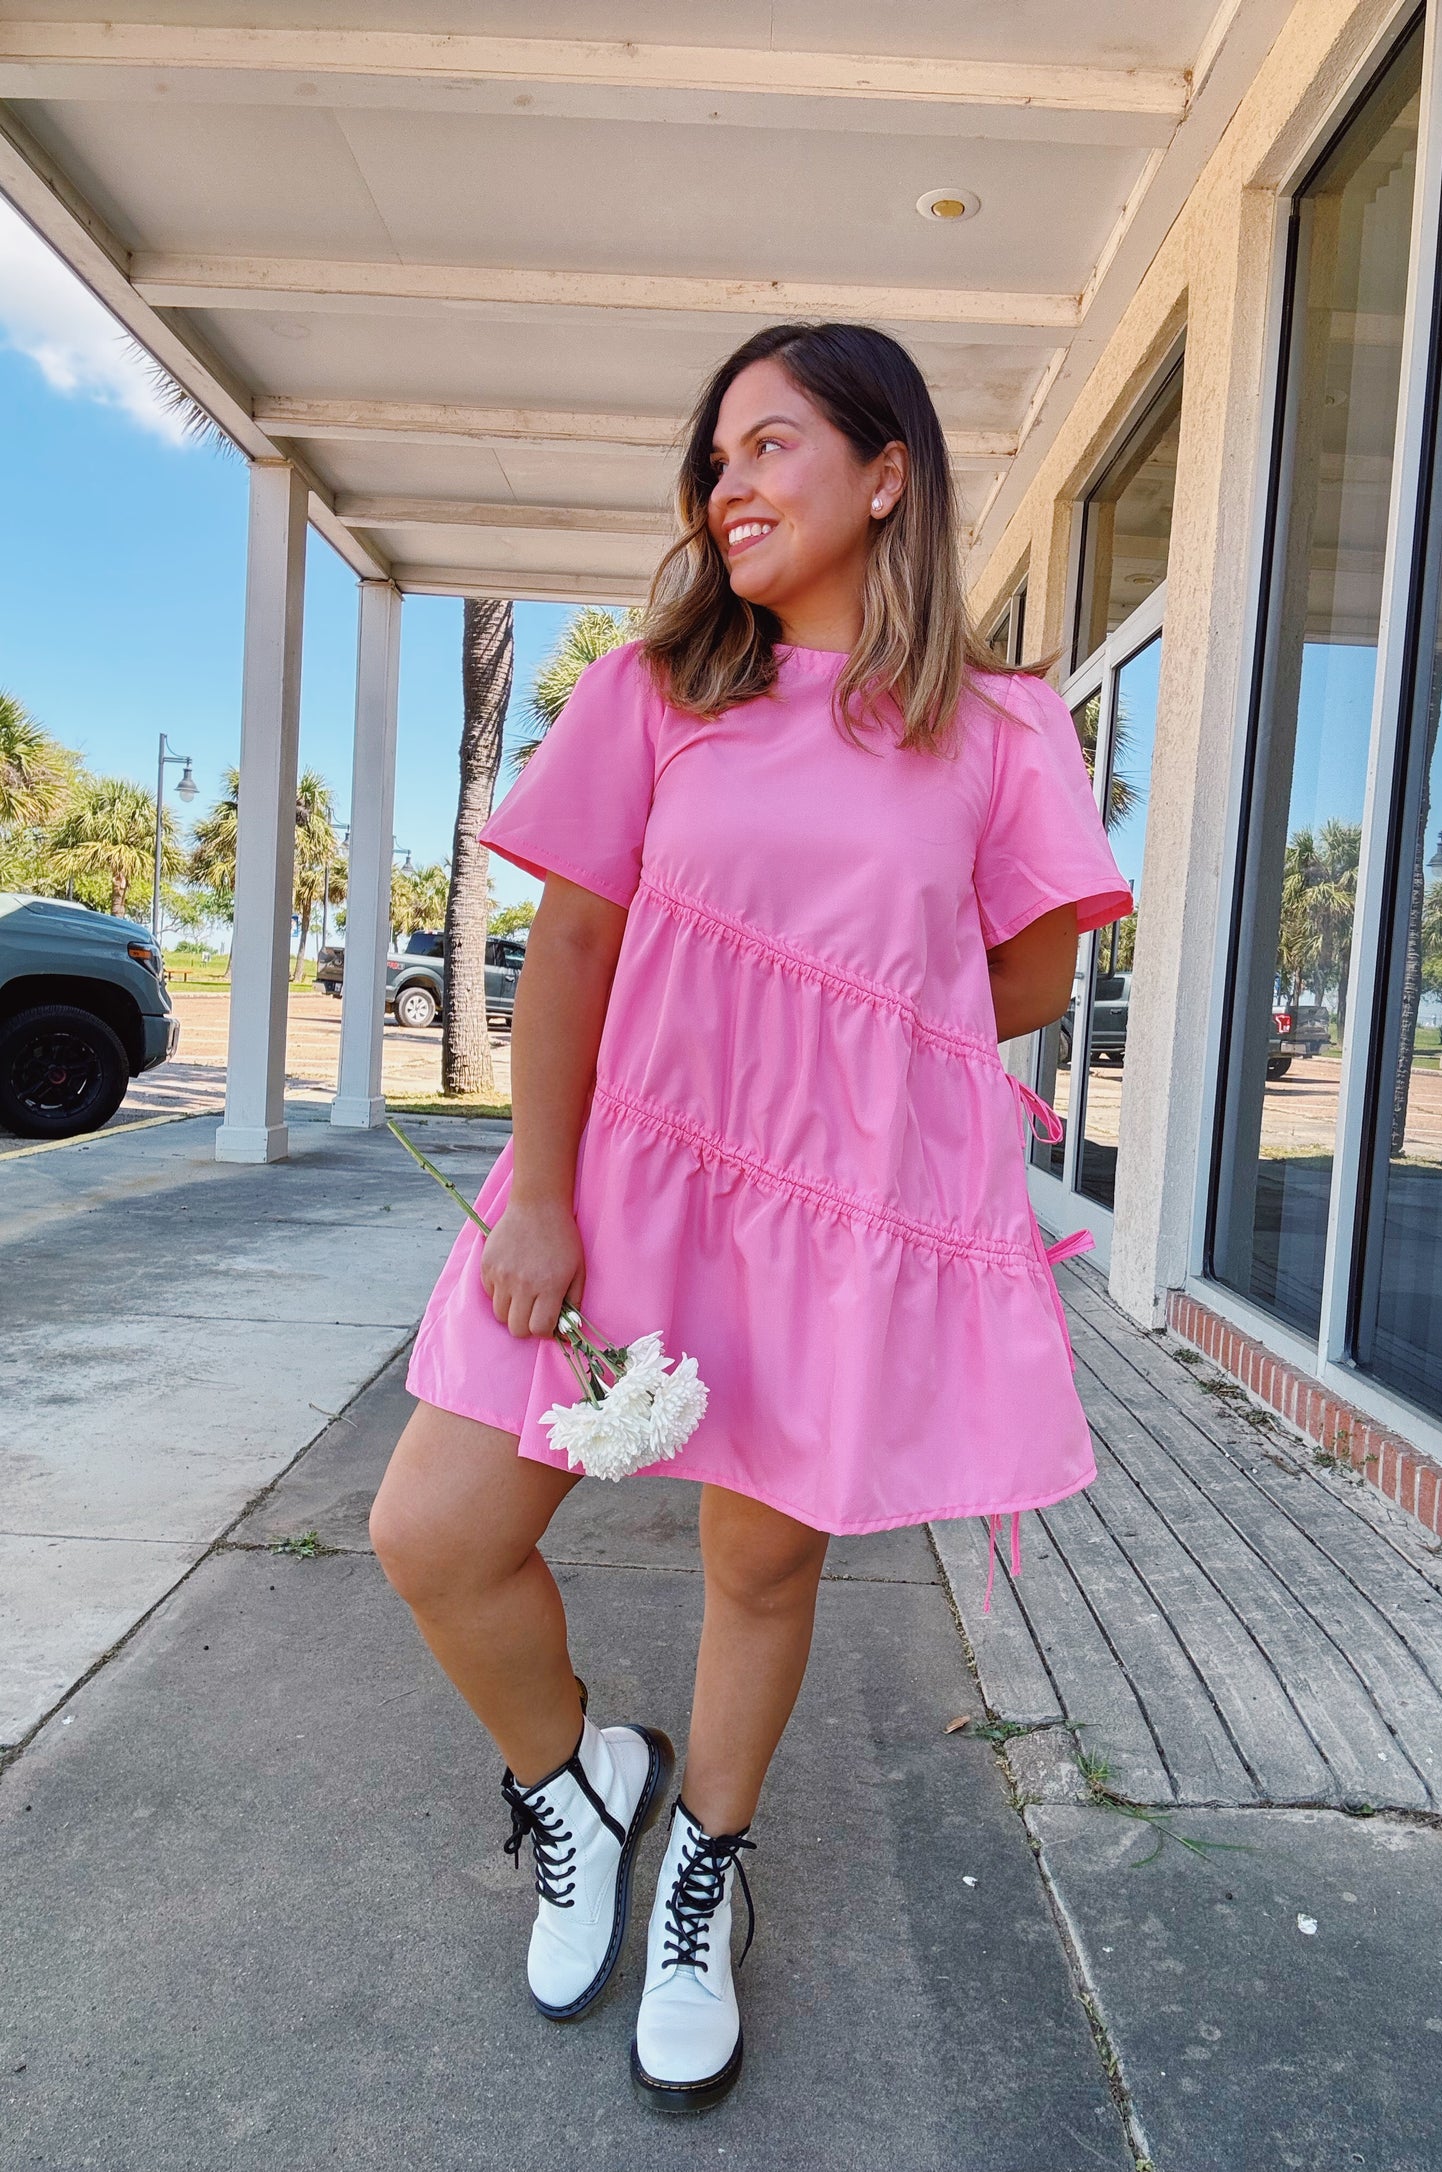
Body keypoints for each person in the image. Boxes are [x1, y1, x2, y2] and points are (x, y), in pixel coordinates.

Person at [370, 321, 1134, 2114]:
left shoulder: (1002, 725)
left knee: (761, 1562)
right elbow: (573, 941)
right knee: (434, 1532)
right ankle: (573, 1794)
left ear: (887, 475)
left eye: (772, 444)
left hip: (830, 1204)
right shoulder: (655, 691)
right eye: (714, 456)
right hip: (619, 1175)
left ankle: (705, 1867)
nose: (728, 483)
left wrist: (841, 1065)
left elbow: (1010, 970)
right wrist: (539, 1192)